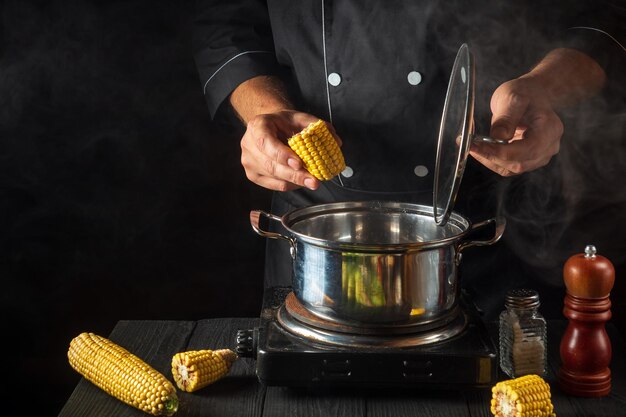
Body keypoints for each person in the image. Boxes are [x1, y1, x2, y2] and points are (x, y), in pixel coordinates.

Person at [193, 0, 625, 319]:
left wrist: (544, 88)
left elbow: (602, 17)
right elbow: (225, 23)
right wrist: (263, 112)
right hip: (318, 238)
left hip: (487, 231)